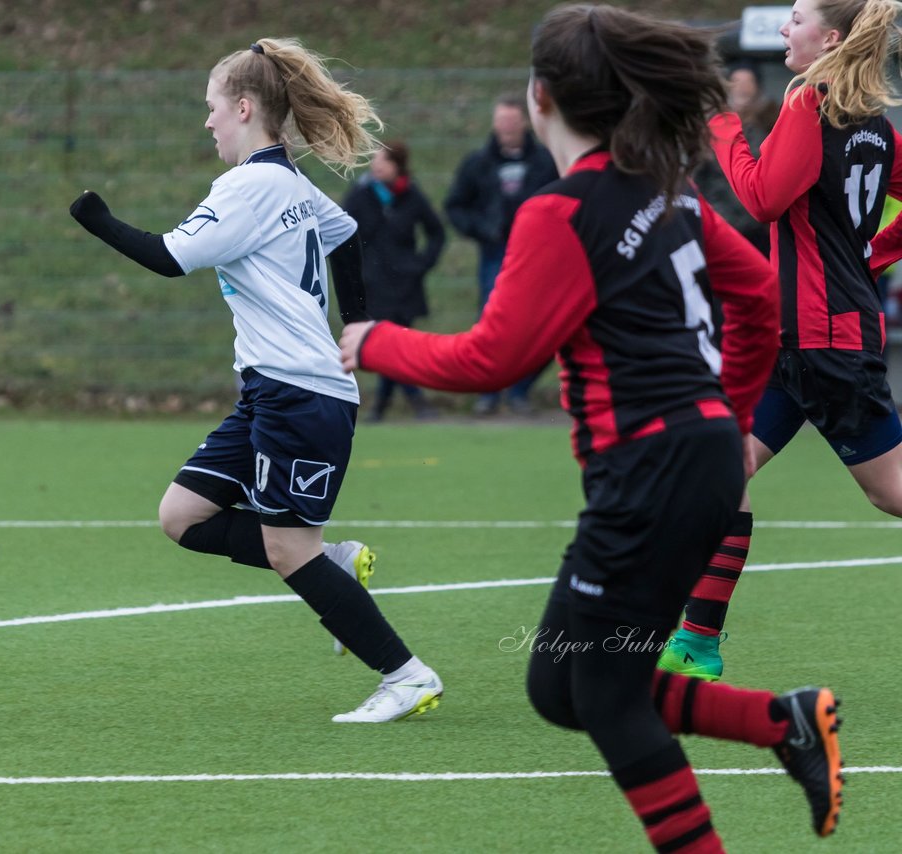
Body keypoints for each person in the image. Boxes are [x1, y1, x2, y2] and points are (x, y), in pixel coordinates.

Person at [340, 5, 841, 848]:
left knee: (605, 697)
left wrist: (375, 340)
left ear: (541, 100)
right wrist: (730, 415)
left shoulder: (561, 212)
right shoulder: (666, 192)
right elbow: (757, 292)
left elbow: (493, 359)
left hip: (650, 472)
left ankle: (767, 748)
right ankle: (782, 722)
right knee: (560, 685)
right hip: (694, 461)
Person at [69, 37, 442, 723]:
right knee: (181, 516)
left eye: (212, 108)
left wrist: (95, 219)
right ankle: (334, 560)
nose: (207, 123)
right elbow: (348, 233)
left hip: (302, 394)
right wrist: (354, 324)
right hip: (272, 391)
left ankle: (405, 675)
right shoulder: (291, 185)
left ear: (243, 107)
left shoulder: (248, 189)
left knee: (284, 549)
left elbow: (168, 257)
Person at [661, 0, 902, 681]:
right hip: (791, 336)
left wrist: (723, 128)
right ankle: (696, 644)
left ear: (829, 37)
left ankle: (696, 642)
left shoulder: (809, 104)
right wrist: (869, 259)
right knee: (719, 468)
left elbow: (762, 197)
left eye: (795, 18)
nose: (783, 29)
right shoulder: (877, 129)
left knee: (891, 492)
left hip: (824, 342)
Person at [444, 93, 557, 415]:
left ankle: (519, 390)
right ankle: (489, 393)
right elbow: (455, 206)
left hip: (538, 255)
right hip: (495, 253)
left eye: (512, 120)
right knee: (493, 324)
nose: (507, 126)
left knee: (542, 324)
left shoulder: (546, 162)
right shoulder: (477, 163)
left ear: (524, 122)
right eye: (501, 121)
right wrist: (481, 229)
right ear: (494, 124)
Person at [342, 139, 446, 421]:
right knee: (390, 344)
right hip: (375, 286)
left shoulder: (412, 195)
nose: (376, 166)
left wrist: (421, 265)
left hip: (405, 286)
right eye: (374, 160)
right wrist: (356, 271)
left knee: (397, 344)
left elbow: (437, 232)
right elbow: (341, 233)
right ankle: (413, 402)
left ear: (398, 166)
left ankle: (382, 408)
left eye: (383, 161)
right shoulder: (360, 195)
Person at [692, 60, 780, 256]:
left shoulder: (771, 123)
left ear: (757, 86)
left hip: (759, 227)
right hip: (722, 222)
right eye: (736, 81)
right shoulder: (713, 126)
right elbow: (697, 177)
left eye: (748, 82)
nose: (742, 88)